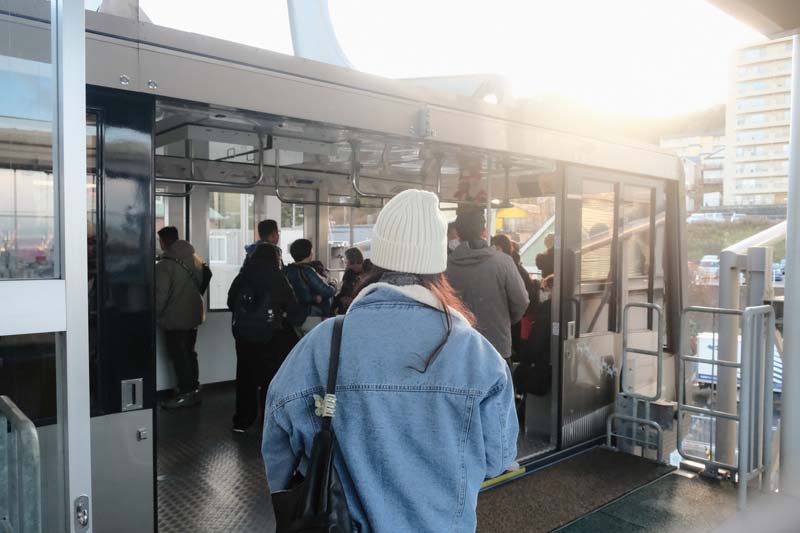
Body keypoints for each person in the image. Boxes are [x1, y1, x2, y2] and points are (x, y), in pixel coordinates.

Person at [263, 189, 518, 531]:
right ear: (436, 262)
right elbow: (498, 459)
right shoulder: (478, 354)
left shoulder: (324, 343)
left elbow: (279, 443)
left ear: (378, 257)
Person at [227, 244, 301, 432]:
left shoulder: (243, 276)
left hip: (243, 337)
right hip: (272, 336)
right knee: (270, 378)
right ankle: (268, 422)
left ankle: (242, 421)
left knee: (245, 378)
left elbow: (230, 301)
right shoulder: (278, 278)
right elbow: (293, 309)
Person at [446, 208, 529, 359]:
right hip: (497, 344)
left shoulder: (446, 266)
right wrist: (504, 319)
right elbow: (521, 301)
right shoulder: (503, 262)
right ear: (484, 231)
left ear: (457, 232)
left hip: (458, 345)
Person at [155, 226, 205, 409]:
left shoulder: (165, 265)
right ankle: (193, 390)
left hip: (175, 318)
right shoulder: (195, 258)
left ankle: (185, 393)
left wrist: (154, 315)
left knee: (179, 356)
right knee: (189, 354)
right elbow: (204, 280)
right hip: (193, 315)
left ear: (164, 241)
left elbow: (159, 295)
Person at [491, 234, 536, 356]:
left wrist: (512, 318)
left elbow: (522, 300)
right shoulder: (515, 265)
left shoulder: (508, 266)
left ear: (499, 248)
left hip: (512, 321)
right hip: (513, 320)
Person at [284, 238, 336, 333]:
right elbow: (327, 291)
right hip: (309, 314)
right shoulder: (307, 270)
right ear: (308, 252)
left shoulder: (288, 270)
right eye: (311, 249)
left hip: (294, 315)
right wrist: (333, 284)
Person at [333, 247, 365, 314]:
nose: (344, 263)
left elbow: (344, 291)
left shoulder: (349, 273)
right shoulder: (369, 271)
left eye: (345, 260)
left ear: (349, 261)